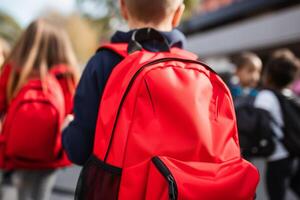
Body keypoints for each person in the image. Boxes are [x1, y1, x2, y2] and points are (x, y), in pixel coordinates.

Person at [62, 0, 186, 165]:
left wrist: (66, 130)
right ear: (178, 13)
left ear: (123, 8)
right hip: (177, 188)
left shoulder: (102, 64)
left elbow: (80, 150)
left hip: (118, 187)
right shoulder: (195, 69)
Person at [0, 19, 79, 200]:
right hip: (48, 157)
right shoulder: (67, 76)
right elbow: (71, 115)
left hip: (13, 156)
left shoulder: (14, 69)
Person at [254, 54, 300, 200]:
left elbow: (259, 125)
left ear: (269, 74)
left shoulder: (265, 96)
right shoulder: (289, 94)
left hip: (276, 156)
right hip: (290, 153)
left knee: (276, 195)